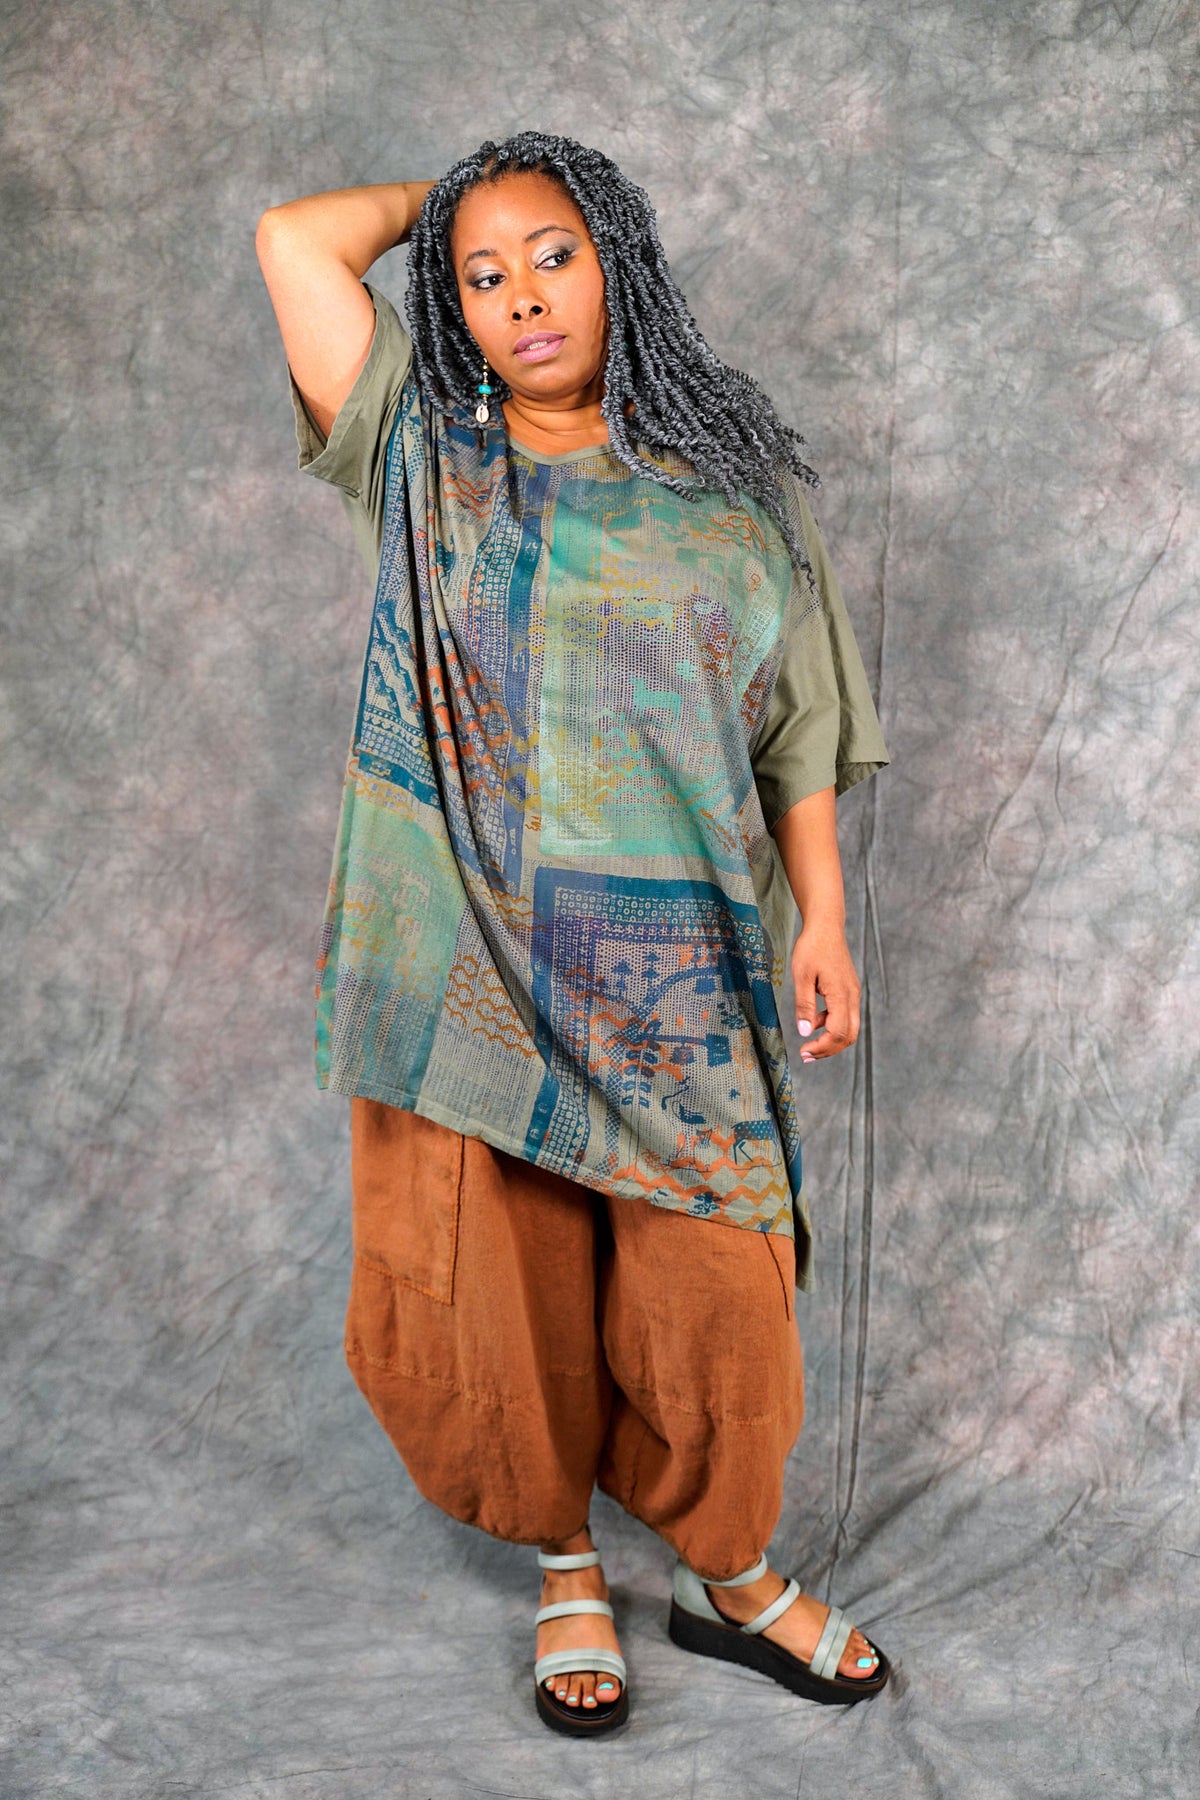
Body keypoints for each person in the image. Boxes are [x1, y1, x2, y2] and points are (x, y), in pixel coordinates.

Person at [256, 130, 892, 1737]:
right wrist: (455, 196)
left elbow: (801, 722)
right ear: (452, 310)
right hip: (470, 963)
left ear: (619, 260)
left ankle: (729, 1576)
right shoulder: (423, 458)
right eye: (481, 278)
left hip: (682, 973)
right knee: (503, 1292)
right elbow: (291, 241)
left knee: (721, 1300)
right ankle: (563, 1565)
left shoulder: (734, 490)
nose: (523, 296)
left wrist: (824, 917)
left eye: (555, 253)